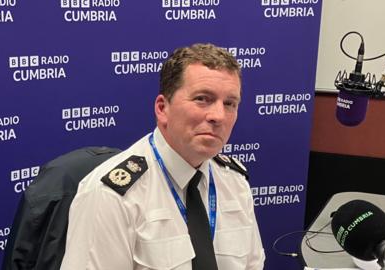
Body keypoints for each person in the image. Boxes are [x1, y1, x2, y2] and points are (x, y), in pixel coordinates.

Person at [60, 43, 265, 270]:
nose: (218, 115)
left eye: (230, 103)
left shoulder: (234, 182)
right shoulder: (112, 195)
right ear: (162, 108)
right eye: (202, 98)